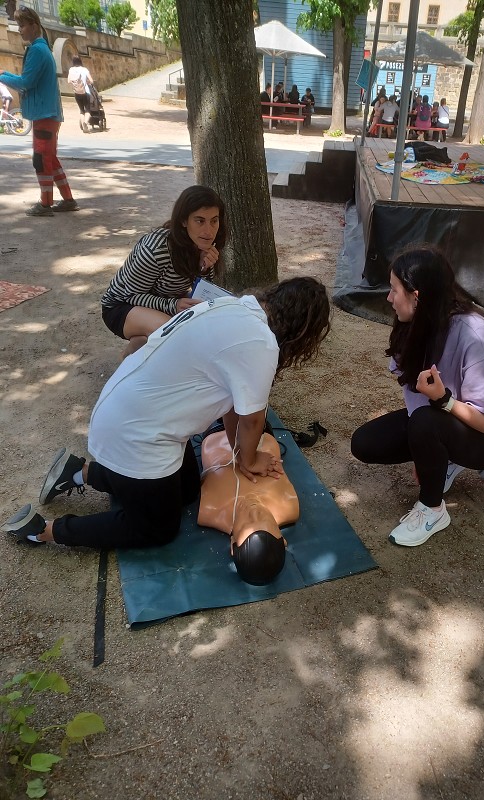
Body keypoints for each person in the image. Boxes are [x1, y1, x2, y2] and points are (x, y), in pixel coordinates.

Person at [2, 277, 331, 552]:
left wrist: (239, 453)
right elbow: (252, 420)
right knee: (156, 529)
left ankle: (81, 472)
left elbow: (237, 405)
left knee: (188, 492)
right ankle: (43, 530)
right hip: (136, 434)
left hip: (130, 413)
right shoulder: (261, 344)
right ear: (301, 332)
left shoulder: (235, 307)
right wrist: (251, 458)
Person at [351, 244, 484, 548]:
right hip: (443, 417)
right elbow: (416, 394)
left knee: (426, 425)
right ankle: (443, 456)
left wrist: (444, 402)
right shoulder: (415, 324)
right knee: (365, 443)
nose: (389, 298)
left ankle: (432, 510)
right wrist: (423, 451)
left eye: (394, 290)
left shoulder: (474, 337)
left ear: (416, 296)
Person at [101, 185, 225, 356]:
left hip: (162, 302)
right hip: (121, 305)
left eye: (214, 220)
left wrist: (204, 268)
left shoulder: (203, 243)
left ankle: (139, 344)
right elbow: (131, 295)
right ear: (183, 221)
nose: (209, 230)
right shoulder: (156, 249)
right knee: (175, 332)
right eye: (199, 220)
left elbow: (202, 290)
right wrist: (173, 305)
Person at [0, 7, 78, 216]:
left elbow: (26, 82)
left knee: (41, 160)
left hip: (44, 114)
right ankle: (68, 199)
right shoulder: (42, 49)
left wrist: (3, 76)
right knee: (49, 158)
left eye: (22, 25)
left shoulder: (36, 50)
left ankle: (45, 204)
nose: (20, 30)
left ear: (34, 26)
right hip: (48, 114)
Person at [198, 428, 299, 585]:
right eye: (263, 517)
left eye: (247, 523)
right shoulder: (289, 505)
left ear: (233, 544)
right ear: (282, 539)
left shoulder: (210, 510)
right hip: (260, 432)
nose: (254, 511)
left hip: (216, 431)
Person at [67, 56, 93, 132]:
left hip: (77, 92)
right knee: (88, 109)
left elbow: (69, 81)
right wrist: (87, 82)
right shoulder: (84, 70)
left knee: (81, 110)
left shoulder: (71, 70)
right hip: (85, 92)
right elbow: (91, 81)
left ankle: (84, 127)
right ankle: (85, 122)